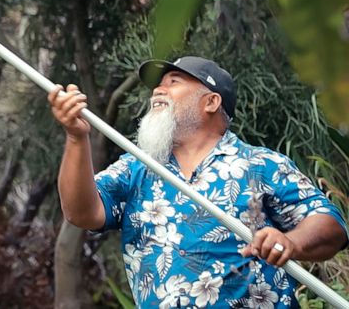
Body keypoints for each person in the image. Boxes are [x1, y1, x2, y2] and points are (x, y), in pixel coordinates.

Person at [48, 56, 348, 308]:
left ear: (211, 101)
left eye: (173, 81)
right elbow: (81, 212)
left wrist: (291, 242)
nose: (158, 90)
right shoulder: (137, 169)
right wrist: (76, 138)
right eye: (158, 84)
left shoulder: (262, 165)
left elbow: (331, 226)